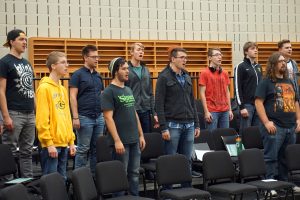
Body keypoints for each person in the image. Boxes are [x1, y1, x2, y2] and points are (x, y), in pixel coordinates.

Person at [101, 57, 145, 196]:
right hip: (121, 142)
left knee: (134, 174)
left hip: (134, 140)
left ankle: (134, 198)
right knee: (120, 175)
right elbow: (108, 118)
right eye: (124, 69)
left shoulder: (128, 90)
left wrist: (141, 135)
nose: (128, 71)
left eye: (128, 68)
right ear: (115, 71)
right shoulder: (108, 92)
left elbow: (134, 114)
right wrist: (117, 140)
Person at [155, 47, 200, 184]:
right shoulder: (163, 77)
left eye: (186, 58)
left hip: (189, 124)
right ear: (173, 59)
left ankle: (187, 191)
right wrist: (163, 127)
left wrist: (197, 123)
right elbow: (159, 104)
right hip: (172, 125)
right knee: (171, 160)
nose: (184, 60)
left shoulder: (186, 75)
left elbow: (192, 101)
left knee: (187, 161)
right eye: (182, 57)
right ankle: (168, 192)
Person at [255, 52, 300, 181]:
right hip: (275, 126)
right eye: (280, 61)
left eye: (284, 61)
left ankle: (284, 184)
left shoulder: (290, 81)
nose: (283, 63)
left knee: (285, 157)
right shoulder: (266, 82)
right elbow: (258, 103)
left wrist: (298, 119)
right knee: (271, 157)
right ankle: (269, 184)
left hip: (290, 127)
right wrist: (266, 122)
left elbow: (296, 101)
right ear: (273, 64)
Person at [0, 29, 35, 178]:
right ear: (11, 42)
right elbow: (1, 91)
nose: (24, 42)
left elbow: (31, 89)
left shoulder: (27, 63)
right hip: (14, 112)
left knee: (27, 151)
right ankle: (9, 184)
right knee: (10, 151)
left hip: (29, 113)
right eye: (21, 39)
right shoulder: (4, 62)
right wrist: (6, 116)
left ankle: (27, 181)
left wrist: (35, 111)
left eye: (25, 40)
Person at [36, 51, 76, 179]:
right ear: (53, 66)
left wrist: (71, 141)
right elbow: (42, 119)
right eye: (63, 62)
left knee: (62, 180)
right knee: (51, 182)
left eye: (67, 62)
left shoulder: (63, 89)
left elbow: (67, 117)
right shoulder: (44, 88)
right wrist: (49, 143)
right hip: (52, 146)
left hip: (64, 144)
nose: (67, 65)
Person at [70, 45, 104, 175]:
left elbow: (101, 94)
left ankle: (95, 178)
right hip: (84, 117)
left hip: (98, 117)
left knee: (97, 149)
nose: (97, 59)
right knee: (83, 149)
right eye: (94, 57)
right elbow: (72, 96)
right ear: (85, 57)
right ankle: (79, 179)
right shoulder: (77, 75)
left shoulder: (98, 75)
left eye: (97, 56)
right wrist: (75, 117)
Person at [125, 42, 158, 133]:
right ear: (131, 52)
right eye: (138, 50)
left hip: (145, 110)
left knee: (146, 138)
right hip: (131, 110)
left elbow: (150, 92)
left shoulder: (145, 69)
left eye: (142, 50)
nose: (141, 52)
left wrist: (154, 112)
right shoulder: (126, 69)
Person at [199, 48, 233, 131]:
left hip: (225, 110)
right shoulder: (204, 73)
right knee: (212, 136)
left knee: (225, 136)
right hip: (212, 111)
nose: (220, 57)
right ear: (210, 58)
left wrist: (230, 109)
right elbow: (202, 94)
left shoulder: (224, 73)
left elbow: (227, 92)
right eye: (217, 55)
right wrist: (206, 112)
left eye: (220, 55)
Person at [234, 42, 262, 131]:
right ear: (246, 52)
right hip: (247, 105)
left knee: (256, 131)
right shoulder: (240, 66)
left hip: (258, 104)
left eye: (256, 49)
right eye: (253, 49)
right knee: (245, 132)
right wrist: (242, 107)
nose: (256, 50)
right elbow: (237, 88)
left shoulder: (259, 67)